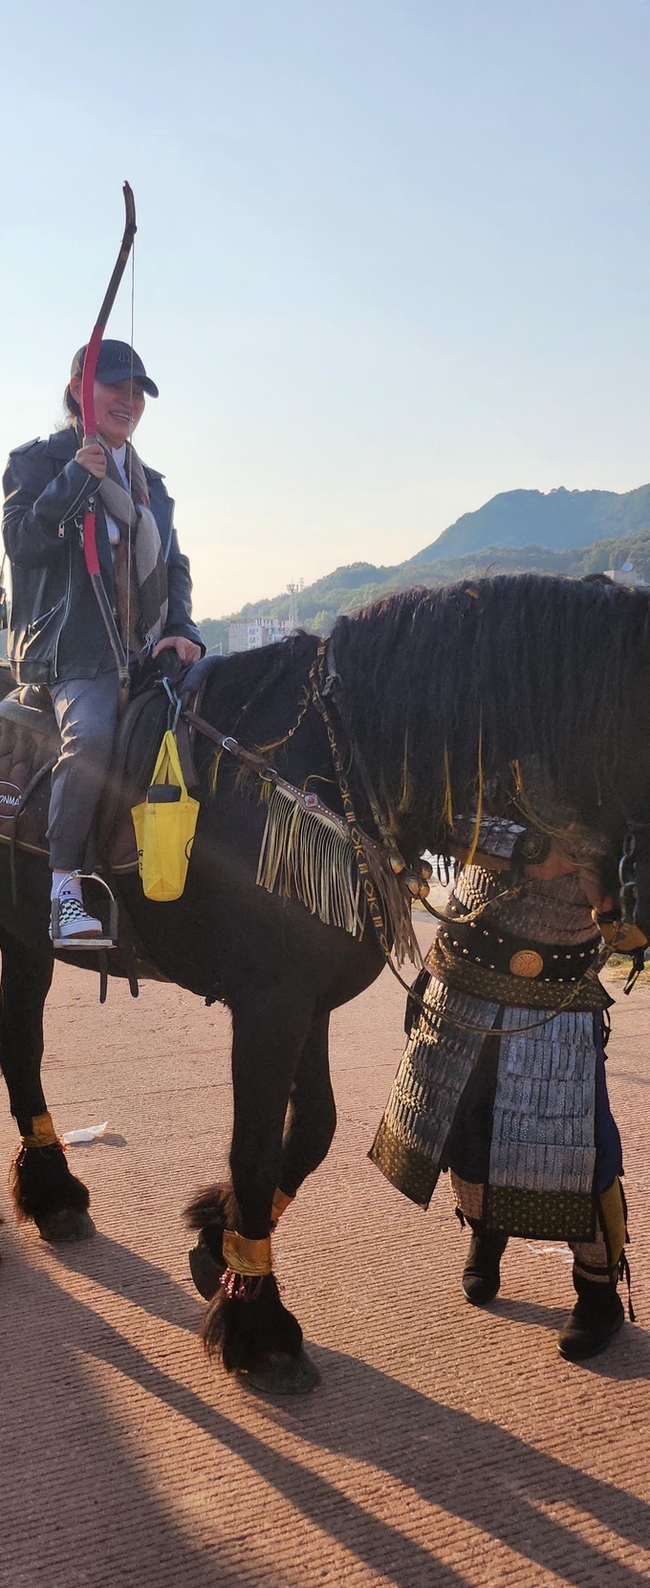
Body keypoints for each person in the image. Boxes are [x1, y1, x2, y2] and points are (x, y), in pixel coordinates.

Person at [370, 807, 638, 1361]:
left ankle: (597, 1293)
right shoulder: (504, 723)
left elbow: (635, 919)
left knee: (579, 1148)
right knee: (465, 1124)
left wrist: (613, 894)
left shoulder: (628, 753)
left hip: (561, 985)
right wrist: (533, 853)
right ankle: (486, 1228)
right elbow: (431, 811)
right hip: (468, 962)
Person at [2, 340, 203, 944]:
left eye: (139, 391)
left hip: (143, 651)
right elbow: (21, 545)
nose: (131, 400)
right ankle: (65, 887)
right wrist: (73, 480)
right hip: (71, 653)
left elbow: (173, 566)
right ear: (78, 393)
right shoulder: (39, 463)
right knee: (89, 735)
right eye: (117, 386)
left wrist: (182, 629)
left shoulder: (153, 487)